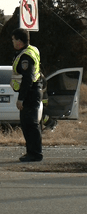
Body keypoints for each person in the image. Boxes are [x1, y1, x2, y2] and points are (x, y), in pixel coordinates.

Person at [11, 28, 44, 162]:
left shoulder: (26, 57)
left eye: (13, 39)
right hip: (32, 92)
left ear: (19, 41)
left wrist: (21, 99)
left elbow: (27, 79)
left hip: (30, 94)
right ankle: (31, 152)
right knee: (27, 124)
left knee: (31, 124)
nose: (12, 42)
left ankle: (35, 153)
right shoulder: (31, 50)